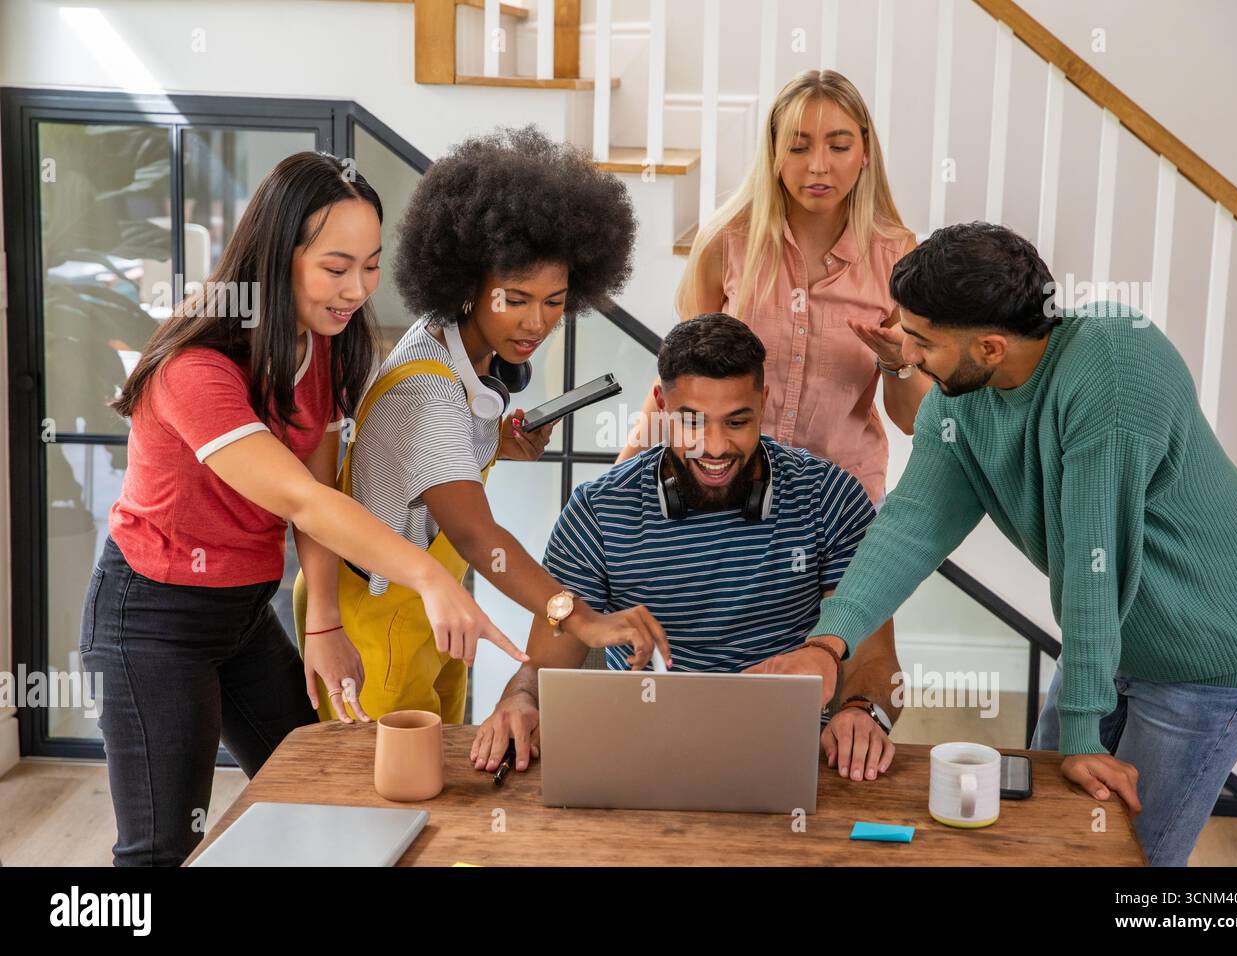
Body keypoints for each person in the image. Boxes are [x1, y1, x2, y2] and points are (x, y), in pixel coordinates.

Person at [797, 221, 1237, 866]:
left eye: (922, 341)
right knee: (1049, 835)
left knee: (1131, 863)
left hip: (1213, 641)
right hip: (1113, 633)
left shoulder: (1114, 364)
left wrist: (1083, 733)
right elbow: (909, 525)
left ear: (990, 346)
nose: (907, 355)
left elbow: (1098, 557)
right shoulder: (960, 400)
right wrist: (827, 642)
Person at [82, 152, 521, 866]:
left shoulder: (320, 341)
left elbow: (320, 483)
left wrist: (323, 618)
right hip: (153, 620)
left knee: (325, 787)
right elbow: (298, 497)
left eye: (371, 266)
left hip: (244, 614)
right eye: (336, 267)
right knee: (163, 847)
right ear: (277, 256)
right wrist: (432, 578)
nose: (357, 290)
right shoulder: (196, 369)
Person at [294, 127, 670, 724]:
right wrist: (582, 620)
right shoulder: (430, 391)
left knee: (442, 779)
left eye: (554, 301)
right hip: (378, 615)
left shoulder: (453, 343)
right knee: (390, 799)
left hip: (428, 606)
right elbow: (477, 537)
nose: (537, 323)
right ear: (469, 286)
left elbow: (419, 461)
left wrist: (491, 442)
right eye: (515, 299)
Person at [474, 313, 902, 782]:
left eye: (737, 422)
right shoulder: (598, 511)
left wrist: (864, 712)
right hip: (638, 758)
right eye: (691, 422)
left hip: (794, 761)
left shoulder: (831, 498)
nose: (714, 447)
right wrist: (520, 700)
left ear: (763, 402)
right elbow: (541, 672)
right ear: (661, 404)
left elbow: (876, 661)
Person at [617, 69, 927, 505]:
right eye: (798, 147)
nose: (818, 165)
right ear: (774, 155)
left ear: (865, 153)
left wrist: (898, 363)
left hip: (840, 498)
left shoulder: (897, 254)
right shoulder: (726, 242)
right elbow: (682, 377)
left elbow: (913, 419)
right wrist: (617, 479)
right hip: (730, 486)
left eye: (838, 146)